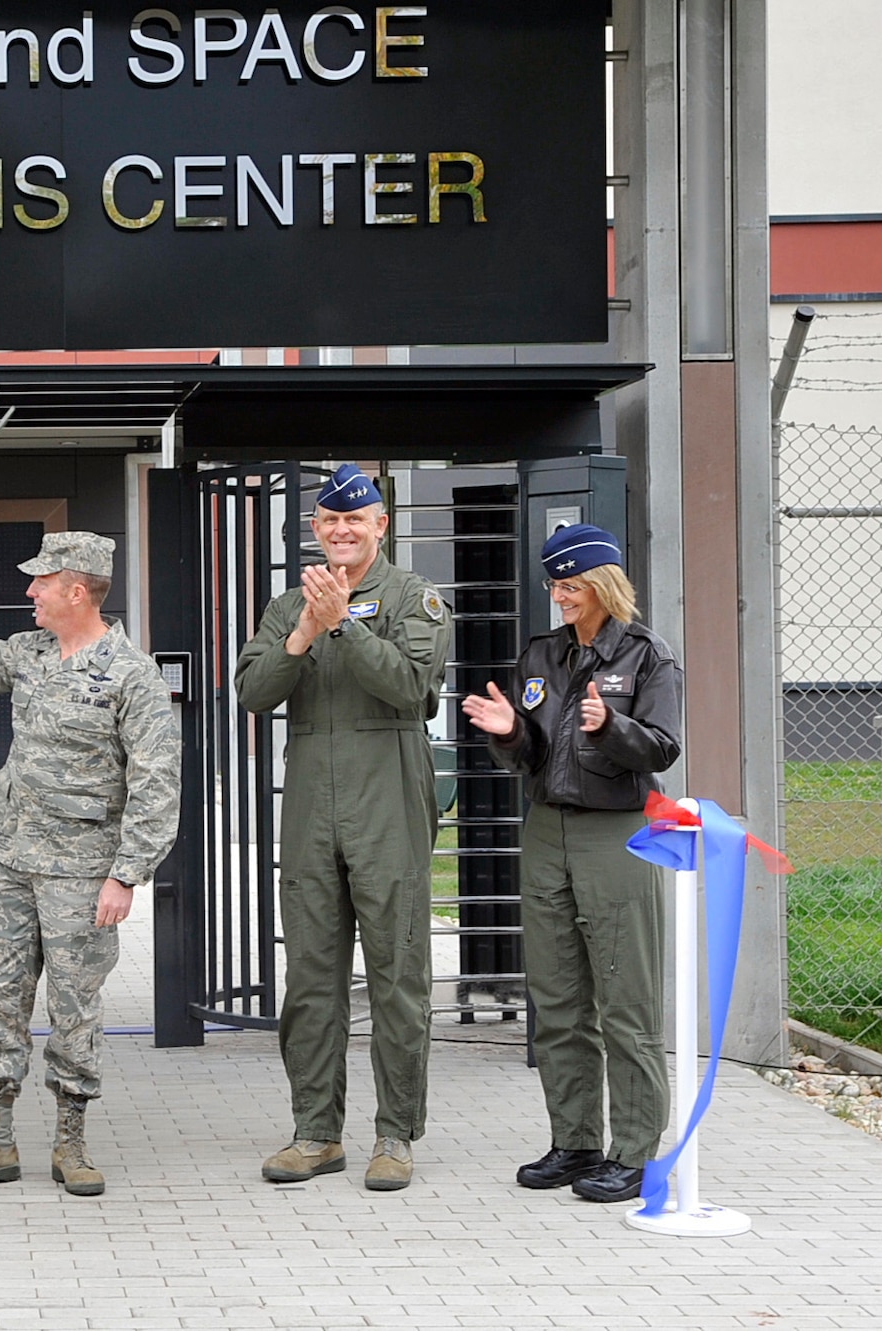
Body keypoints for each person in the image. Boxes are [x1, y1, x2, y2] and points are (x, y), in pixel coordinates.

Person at [0, 531, 181, 1198]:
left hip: (82, 873)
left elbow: (157, 782)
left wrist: (126, 872)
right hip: (7, 860)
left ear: (74, 590)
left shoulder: (130, 675)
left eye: (40, 582)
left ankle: (71, 1140)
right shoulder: (28, 652)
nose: (28, 591)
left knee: (74, 1008)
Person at [235, 463, 453, 1192]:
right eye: (328, 521)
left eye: (354, 520)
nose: (340, 531)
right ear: (316, 528)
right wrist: (303, 629)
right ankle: (316, 1131)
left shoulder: (413, 598)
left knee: (397, 973)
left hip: (387, 796)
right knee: (312, 979)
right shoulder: (287, 603)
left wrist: (343, 630)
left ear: (379, 526)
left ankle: (395, 1134)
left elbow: (407, 685)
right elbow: (253, 692)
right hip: (311, 808)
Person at [460, 524, 682, 1204]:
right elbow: (534, 753)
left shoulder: (646, 655)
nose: (560, 597)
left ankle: (636, 1152)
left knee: (625, 1001)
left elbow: (663, 747)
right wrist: (511, 735)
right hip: (548, 830)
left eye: (572, 585)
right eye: (555, 585)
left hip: (615, 832)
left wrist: (607, 727)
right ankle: (575, 1140)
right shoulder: (542, 655)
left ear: (605, 586)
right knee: (557, 1000)